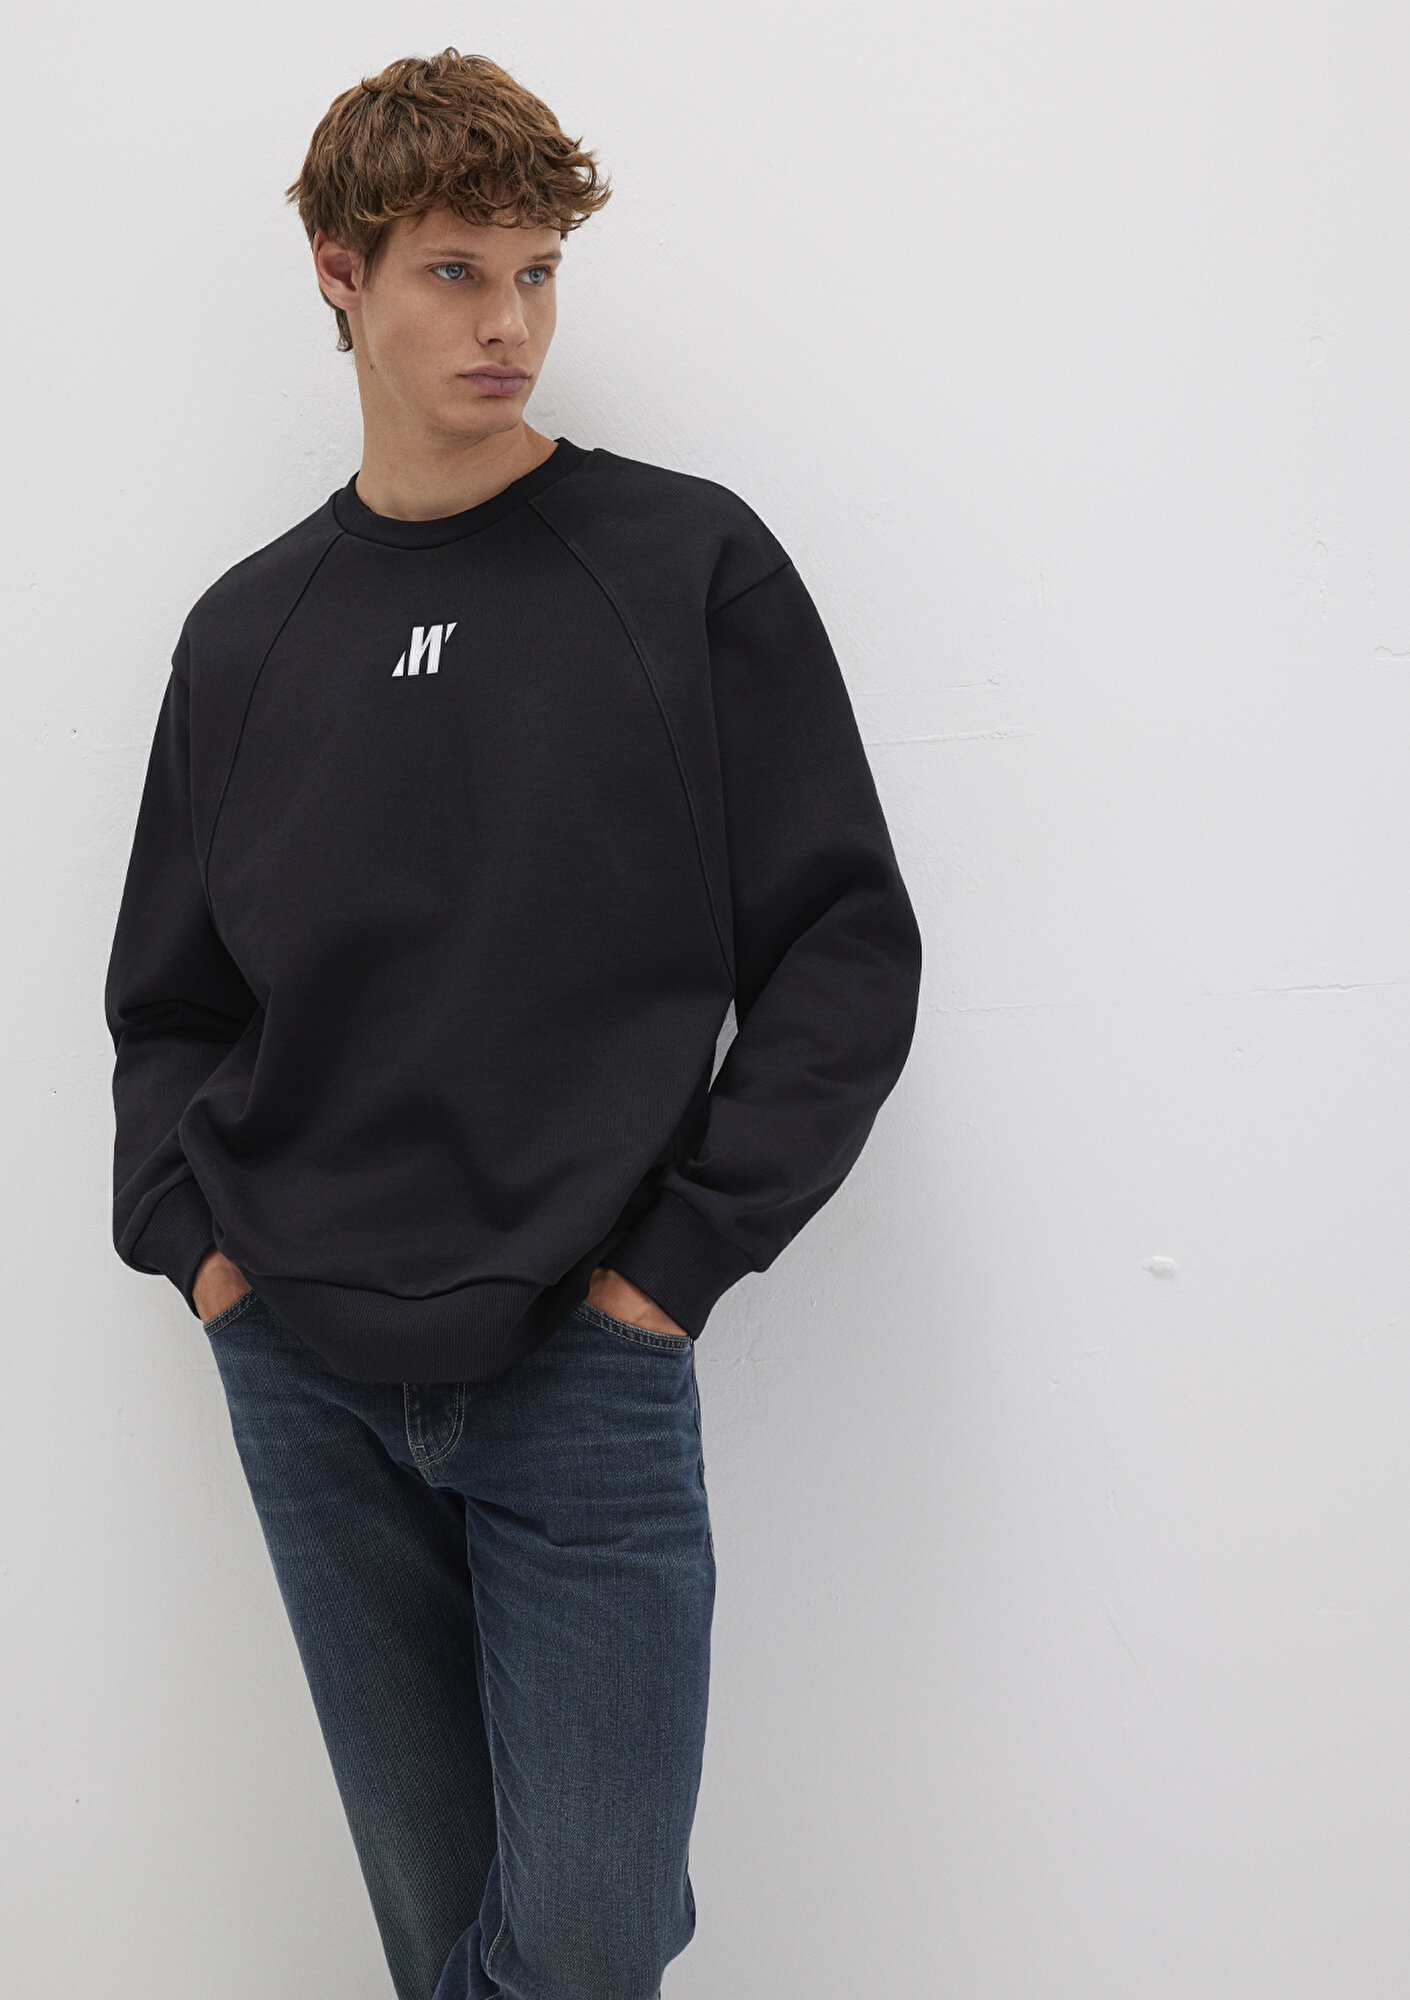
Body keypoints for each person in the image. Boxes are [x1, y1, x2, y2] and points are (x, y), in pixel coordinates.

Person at [103, 45, 923, 2000]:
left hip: (585, 1353)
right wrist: (202, 1257)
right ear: (340, 275)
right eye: (457, 272)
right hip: (302, 1360)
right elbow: (169, 999)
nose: (510, 325)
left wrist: (670, 1272)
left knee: (586, 1938)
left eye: (538, 271)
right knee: (442, 1941)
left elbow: (842, 945)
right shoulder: (247, 632)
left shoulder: (682, 568)